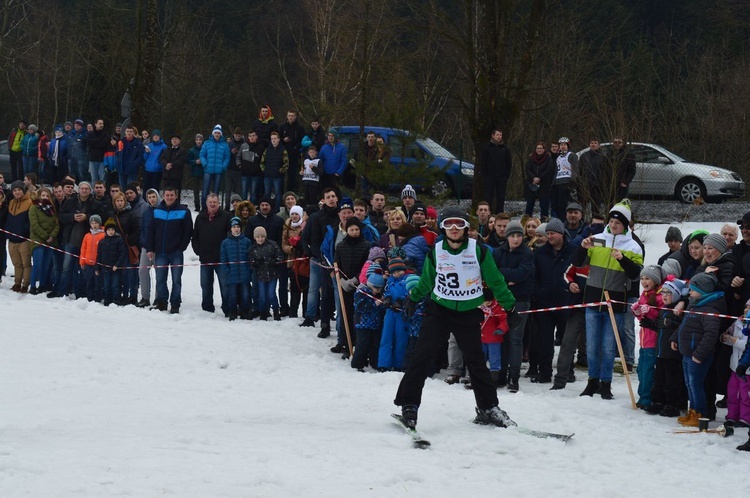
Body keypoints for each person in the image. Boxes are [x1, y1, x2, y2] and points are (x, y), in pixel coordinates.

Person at [393, 206, 517, 430]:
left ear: (466, 227)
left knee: (476, 362)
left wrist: (510, 306)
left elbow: (496, 280)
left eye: (458, 224)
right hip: (439, 310)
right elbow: (427, 280)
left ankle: (488, 407)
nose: (453, 228)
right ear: (442, 227)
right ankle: (409, 405)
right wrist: (414, 298)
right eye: (448, 224)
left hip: (468, 312)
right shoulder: (436, 250)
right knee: (421, 357)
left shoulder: (479, 251)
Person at [573, 199, 643, 400]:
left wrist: (623, 259)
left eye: (618, 223)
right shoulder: (597, 239)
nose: (613, 225)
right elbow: (577, 263)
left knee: (608, 346)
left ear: (626, 225)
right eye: (612, 221)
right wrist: (582, 247)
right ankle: (592, 382)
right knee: (592, 346)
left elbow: (635, 274)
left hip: (615, 304)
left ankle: (606, 383)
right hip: (594, 301)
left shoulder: (633, 246)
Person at [672, 272, 725, 427]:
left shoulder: (710, 310)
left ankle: (700, 414)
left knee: (696, 385)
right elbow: (684, 326)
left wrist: (699, 354)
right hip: (687, 353)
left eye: (693, 289)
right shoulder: (694, 305)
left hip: (698, 356)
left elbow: (711, 335)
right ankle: (693, 411)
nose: (690, 292)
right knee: (689, 384)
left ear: (702, 291)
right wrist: (675, 338)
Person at [530, 218, 575, 383]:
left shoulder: (573, 251)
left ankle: (567, 370)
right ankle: (544, 372)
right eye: (547, 233)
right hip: (545, 303)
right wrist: (538, 293)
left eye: (552, 233)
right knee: (545, 341)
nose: (549, 236)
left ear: (561, 233)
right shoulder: (540, 253)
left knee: (567, 341)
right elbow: (534, 277)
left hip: (566, 301)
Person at [492, 220, 534, 392]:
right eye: (512, 236)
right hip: (501, 299)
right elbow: (492, 272)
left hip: (520, 299)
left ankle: (513, 377)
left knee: (515, 339)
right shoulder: (497, 252)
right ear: (507, 236)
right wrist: (507, 278)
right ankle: (500, 374)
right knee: (501, 337)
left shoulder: (527, 253)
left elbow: (522, 273)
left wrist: (504, 273)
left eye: (518, 236)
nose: (516, 239)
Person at [144, 186, 193, 313]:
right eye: (167, 195)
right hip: (160, 252)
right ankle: (162, 302)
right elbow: (150, 231)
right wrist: (150, 248)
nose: (169, 197)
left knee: (176, 280)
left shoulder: (184, 211)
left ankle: (175, 304)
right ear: (164, 196)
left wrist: (182, 246)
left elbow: (188, 231)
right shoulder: (157, 211)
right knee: (161, 279)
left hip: (176, 251)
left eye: (172, 195)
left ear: (176, 196)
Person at [643, 277, 687, 417]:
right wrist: (648, 323)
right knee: (659, 378)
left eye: (668, 293)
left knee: (672, 379)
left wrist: (672, 324)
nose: (665, 296)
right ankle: (658, 402)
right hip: (660, 351)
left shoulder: (679, 311)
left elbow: (682, 328)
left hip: (672, 353)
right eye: (663, 293)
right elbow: (660, 326)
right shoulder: (663, 310)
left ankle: (672, 404)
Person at [333, 217, 371, 357]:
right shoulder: (341, 246)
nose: (354, 232)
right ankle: (345, 342)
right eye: (351, 229)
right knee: (345, 314)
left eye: (356, 229)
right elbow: (336, 263)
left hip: (359, 284)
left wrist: (356, 279)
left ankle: (358, 343)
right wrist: (342, 280)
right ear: (347, 230)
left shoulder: (366, 245)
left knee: (358, 314)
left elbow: (366, 264)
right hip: (344, 284)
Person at [631, 265, 665, 409]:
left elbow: (660, 319)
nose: (644, 282)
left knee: (648, 371)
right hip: (643, 340)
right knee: (640, 370)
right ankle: (642, 395)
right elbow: (642, 319)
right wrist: (637, 312)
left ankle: (647, 398)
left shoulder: (660, 296)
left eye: (647, 278)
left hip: (653, 340)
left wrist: (651, 312)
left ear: (655, 280)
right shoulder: (644, 295)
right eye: (642, 278)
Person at [192, 193, 232, 315]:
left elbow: (230, 236)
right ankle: (207, 308)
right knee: (205, 285)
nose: (213, 204)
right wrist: (198, 250)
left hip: (221, 259)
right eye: (210, 202)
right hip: (205, 258)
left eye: (215, 202)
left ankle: (228, 308)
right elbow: (195, 236)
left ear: (219, 203)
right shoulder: (200, 217)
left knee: (225, 285)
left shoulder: (226, 216)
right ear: (206, 204)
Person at [720, 298, 750, 426]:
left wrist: (735, 341)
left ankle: (745, 419)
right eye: (746, 307)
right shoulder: (738, 321)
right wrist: (725, 338)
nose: (746, 310)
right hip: (734, 366)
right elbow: (730, 337)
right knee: (732, 392)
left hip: (747, 370)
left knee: (745, 395)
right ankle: (732, 416)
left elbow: (747, 345)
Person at [378, 257, 410, 370]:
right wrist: (387, 298)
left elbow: (409, 293)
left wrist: (401, 301)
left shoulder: (407, 280)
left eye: (398, 271)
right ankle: (383, 363)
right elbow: (387, 291)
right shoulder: (390, 281)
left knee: (401, 338)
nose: (396, 274)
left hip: (401, 313)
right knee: (386, 337)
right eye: (394, 272)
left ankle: (399, 363)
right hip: (390, 312)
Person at [351, 270, 387, 371]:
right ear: (371, 285)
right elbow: (360, 307)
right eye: (376, 288)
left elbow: (380, 310)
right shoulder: (361, 293)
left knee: (375, 345)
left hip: (375, 324)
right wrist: (374, 304)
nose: (378, 290)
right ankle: (358, 364)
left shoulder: (378, 295)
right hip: (362, 324)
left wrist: (383, 304)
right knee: (362, 345)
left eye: (380, 288)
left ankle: (375, 363)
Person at [248, 226, 284, 320]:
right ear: (255, 238)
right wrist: (255, 263)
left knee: (271, 294)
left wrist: (274, 262)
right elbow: (251, 262)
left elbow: (280, 256)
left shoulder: (272, 245)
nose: (260, 239)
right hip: (260, 275)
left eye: (262, 236)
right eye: (258, 237)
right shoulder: (252, 249)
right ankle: (263, 312)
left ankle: (276, 311)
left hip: (272, 274)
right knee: (262, 296)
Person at [111, 192, 141, 305]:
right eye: (117, 201)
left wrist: (127, 240)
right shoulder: (112, 215)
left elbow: (137, 230)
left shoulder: (131, 214)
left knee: (131, 273)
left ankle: (133, 296)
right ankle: (122, 294)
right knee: (120, 273)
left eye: (121, 201)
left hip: (127, 247)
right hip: (115, 248)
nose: (119, 203)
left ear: (125, 201)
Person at [221, 216, 253, 320]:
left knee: (246, 294)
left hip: (244, 273)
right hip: (232, 274)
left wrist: (249, 269)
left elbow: (250, 257)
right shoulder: (225, 243)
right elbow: (223, 258)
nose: (236, 229)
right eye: (234, 227)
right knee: (232, 295)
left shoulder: (247, 241)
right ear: (230, 228)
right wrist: (227, 270)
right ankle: (233, 312)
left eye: (238, 226)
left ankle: (245, 311)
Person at [28, 187, 59, 294]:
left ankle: (42, 285)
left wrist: (52, 236)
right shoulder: (34, 208)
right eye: (43, 195)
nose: (45, 197)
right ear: (39, 196)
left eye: (47, 196)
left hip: (50, 241)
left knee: (46, 265)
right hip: (38, 240)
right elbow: (34, 225)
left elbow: (56, 225)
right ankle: (32, 286)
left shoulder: (52, 209)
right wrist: (45, 236)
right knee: (37, 264)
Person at [135, 188, 160, 307]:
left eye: (153, 197)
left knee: (159, 273)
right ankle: (145, 297)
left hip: (159, 248)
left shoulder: (162, 210)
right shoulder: (146, 212)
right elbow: (143, 230)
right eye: (149, 197)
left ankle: (158, 298)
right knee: (142, 271)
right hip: (146, 247)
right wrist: (143, 242)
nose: (152, 199)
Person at [5, 181, 33, 292]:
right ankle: (17, 282)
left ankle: (25, 284)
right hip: (12, 239)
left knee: (26, 263)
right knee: (16, 263)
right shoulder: (11, 202)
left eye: (19, 190)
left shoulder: (30, 202)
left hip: (24, 239)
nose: (17, 192)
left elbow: (30, 221)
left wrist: (26, 231)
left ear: (23, 190)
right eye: (15, 190)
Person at [282, 205, 308, 318]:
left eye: (296, 214)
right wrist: (291, 248)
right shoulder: (286, 227)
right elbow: (283, 244)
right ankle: (293, 312)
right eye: (292, 214)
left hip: (304, 261)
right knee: (294, 288)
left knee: (307, 288)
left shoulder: (305, 226)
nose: (294, 216)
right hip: (292, 260)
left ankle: (306, 312)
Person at [96, 218, 128, 306]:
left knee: (115, 285)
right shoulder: (102, 242)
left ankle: (116, 300)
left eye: (112, 230)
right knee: (106, 285)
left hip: (115, 268)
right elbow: (99, 255)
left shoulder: (119, 240)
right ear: (106, 231)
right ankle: (107, 300)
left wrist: (117, 265)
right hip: (105, 268)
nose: (110, 231)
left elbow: (123, 253)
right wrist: (97, 268)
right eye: (109, 230)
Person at [480, 290, 508, 386]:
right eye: (485, 301)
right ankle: (478, 380)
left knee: (494, 360)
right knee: (479, 358)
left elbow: (504, 320)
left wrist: (501, 329)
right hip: (480, 338)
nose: (488, 303)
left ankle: (494, 380)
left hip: (494, 338)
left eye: (489, 301)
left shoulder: (498, 307)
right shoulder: (477, 307)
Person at [480, 129, 512, 213]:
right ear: (493, 135)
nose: (499, 137)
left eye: (500, 135)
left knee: (501, 197)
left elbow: (509, 163)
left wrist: (506, 175)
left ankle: (499, 214)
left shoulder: (505, 148)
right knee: (488, 197)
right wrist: (485, 175)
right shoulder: (487, 147)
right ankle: (487, 214)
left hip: (502, 177)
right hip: (489, 176)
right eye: (497, 135)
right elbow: (483, 162)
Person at [200, 125, 230, 209]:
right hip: (208, 170)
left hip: (219, 171)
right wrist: (205, 164)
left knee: (216, 191)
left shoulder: (225, 145)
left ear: (221, 134)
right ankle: (204, 208)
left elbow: (227, 157)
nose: (217, 134)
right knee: (205, 190)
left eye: (218, 133)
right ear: (213, 134)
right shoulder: (207, 143)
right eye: (215, 133)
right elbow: (202, 155)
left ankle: (214, 208)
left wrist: (223, 166)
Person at [577, 138, 609, 215]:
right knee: (582, 206)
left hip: (598, 186)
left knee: (595, 207)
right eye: (591, 143)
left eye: (595, 143)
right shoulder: (584, 156)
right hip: (585, 185)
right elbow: (579, 170)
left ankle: (595, 222)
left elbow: (606, 172)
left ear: (599, 145)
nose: (593, 144)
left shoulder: (603, 157)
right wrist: (580, 182)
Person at [79, 214, 106, 302]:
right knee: (89, 281)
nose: (94, 225)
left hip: (97, 264)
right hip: (88, 263)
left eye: (96, 223)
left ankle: (98, 298)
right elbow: (83, 249)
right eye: (92, 223)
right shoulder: (87, 236)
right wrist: (82, 261)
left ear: (99, 224)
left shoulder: (103, 235)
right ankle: (89, 298)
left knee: (98, 282)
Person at [524, 141, 554, 219]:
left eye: (541, 148)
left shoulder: (548, 158)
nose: (539, 150)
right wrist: (533, 177)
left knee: (544, 206)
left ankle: (544, 223)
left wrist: (539, 178)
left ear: (544, 149)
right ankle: (526, 222)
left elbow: (549, 170)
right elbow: (527, 169)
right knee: (529, 205)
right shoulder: (531, 158)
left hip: (544, 185)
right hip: (532, 184)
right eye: (538, 148)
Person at [260, 132, 289, 210]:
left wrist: (280, 171)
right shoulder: (267, 150)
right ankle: (267, 208)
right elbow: (262, 162)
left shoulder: (283, 150)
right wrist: (264, 170)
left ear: (279, 139)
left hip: (277, 176)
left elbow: (286, 164)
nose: (273, 140)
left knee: (278, 194)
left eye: (275, 138)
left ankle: (277, 209)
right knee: (267, 193)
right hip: (267, 176)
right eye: (272, 139)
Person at [550, 137, 578, 218]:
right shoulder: (558, 157)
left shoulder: (572, 155)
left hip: (567, 182)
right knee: (557, 205)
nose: (563, 146)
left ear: (568, 146)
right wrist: (553, 183)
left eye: (564, 145)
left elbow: (575, 168)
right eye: (561, 145)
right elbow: (556, 171)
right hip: (558, 182)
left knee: (564, 204)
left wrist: (573, 181)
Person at [279, 109, 305, 192]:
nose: (290, 117)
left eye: (292, 116)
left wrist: (295, 147)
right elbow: (278, 138)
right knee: (282, 174)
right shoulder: (283, 127)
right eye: (289, 115)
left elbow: (302, 140)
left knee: (292, 175)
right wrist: (283, 140)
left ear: (295, 117)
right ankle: (281, 192)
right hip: (284, 153)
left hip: (294, 153)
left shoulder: (300, 128)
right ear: (287, 116)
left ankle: (292, 192)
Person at [239, 130, 265, 205]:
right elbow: (238, 156)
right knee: (244, 193)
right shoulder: (244, 146)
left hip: (255, 174)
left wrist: (260, 169)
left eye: (253, 136)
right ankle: (243, 208)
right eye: (250, 136)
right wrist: (239, 165)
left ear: (256, 137)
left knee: (253, 194)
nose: (252, 138)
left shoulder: (261, 147)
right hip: (245, 173)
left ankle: (252, 209)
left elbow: (263, 161)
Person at [161, 134, 187, 203]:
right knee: (166, 193)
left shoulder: (182, 150)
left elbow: (182, 161)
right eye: (173, 139)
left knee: (175, 194)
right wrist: (166, 164)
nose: (174, 141)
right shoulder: (167, 149)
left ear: (179, 141)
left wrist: (172, 165)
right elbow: (162, 159)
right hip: (166, 176)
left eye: (176, 139)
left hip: (176, 177)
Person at [224, 127, 245, 210]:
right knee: (228, 189)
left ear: (241, 135)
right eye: (236, 135)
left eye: (239, 135)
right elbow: (225, 155)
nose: (237, 137)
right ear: (234, 135)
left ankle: (238, 207)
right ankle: (227, 206)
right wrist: (231, 152)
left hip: (239, 169)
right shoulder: (229, 143)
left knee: (238, 189)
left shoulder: (244, 144)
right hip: (230, 168)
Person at [142, 129, 167, 194]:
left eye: (157, 135)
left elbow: (165, 158)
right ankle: (145, 202)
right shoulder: (149, 145)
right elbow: (144, 157)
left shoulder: (164, 146)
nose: (155, 137)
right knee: (146, 188)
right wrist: (146, 153)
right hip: (148, 169)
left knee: (155, 188)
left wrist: (160, 165)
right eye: (154, 135)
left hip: (157, 170)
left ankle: (155, 202)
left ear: (160, 137)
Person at [187, 134, 204, 212]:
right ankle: (197, 205)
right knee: (196, 191)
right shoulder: (191, 150)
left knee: (205, 190)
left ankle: (204, 205)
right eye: (197, 140)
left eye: (200, 140)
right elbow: (188, 161)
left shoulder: (205, 149)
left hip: (204, 172)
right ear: (195, 141)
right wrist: (195, 162)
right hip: (195, 172)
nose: (198, 141)